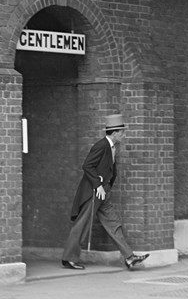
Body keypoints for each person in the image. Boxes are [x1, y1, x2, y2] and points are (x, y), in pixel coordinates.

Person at [62, 114, 150, 270]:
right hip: (94, 193)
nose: (124, 134)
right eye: (122, 132)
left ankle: (129, 257)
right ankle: (69, 258)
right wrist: (98, 185)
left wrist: (106, 186)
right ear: (115, 132)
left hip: (104, 192)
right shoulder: (101, 145)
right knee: (82, 224)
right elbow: (87, 165)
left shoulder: (112, 147)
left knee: (114, 223)